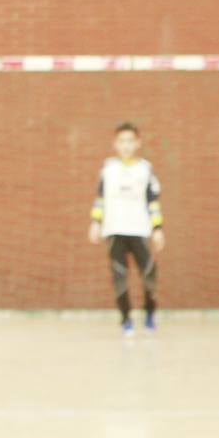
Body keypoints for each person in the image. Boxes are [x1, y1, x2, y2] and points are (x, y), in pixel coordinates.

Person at [88, 122, 164, 336]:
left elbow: (153, 201)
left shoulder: (145, 169)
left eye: (130, 141)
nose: (126, 145)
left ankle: (150, 313)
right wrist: (95, 222)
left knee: (149, 274)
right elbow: (100, 199)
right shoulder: (108, 169)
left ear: (138, 143)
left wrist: (158, 228)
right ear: (115, 144)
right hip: (114, 230)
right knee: (119, 275)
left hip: (139, 229)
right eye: (122, 141)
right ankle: (125, 319)